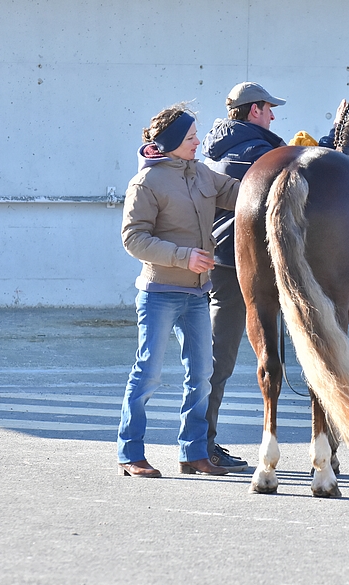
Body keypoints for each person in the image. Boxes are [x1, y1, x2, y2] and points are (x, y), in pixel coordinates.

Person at [117, 102, 240, 478]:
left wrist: (287, 172)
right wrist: (183, 256)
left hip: (197, 295)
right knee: (148, 373)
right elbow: (133, 238)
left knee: (201, 375)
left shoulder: (201, 174)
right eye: (190, 138)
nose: (198, 142)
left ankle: (192, 453)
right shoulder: (146, 183)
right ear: (171, 142)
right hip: (159, 293)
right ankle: (130, 453)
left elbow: (242, 192)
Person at [200, 82, 288, 472]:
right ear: (254, 111)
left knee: (216, 358)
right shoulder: (253, 152)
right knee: (219, 359)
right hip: (235, 267)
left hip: (221, 264)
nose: (273, 115)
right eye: (269, 108)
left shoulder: (224, 148)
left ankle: (201, 442)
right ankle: (201, 446)